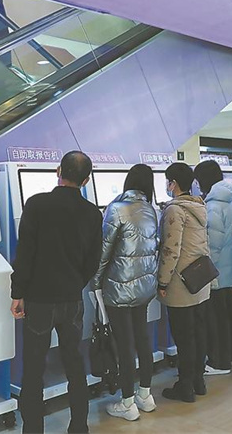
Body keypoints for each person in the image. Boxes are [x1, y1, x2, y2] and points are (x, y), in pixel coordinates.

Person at [10, 151, 103, 434]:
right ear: (86, 180)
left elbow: (25, 253)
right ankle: (79, 426)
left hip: (39, 299)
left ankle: (33, 429)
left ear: (58, 171)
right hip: (72, 299)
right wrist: (75, 283)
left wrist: (18, 292)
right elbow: (93, 260)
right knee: (74, 363)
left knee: (33, 368)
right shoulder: (93, 213)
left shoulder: (36, 204)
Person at [90, 164, 159, 421]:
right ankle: (145, 395)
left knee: (124, 344)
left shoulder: (116, 209)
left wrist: (95, 283)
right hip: (144, 287)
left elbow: (104, 251)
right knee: (142, 339)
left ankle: (127, 402)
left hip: (118, 289)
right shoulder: (151, 210)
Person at [157, 163, 210, 403]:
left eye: (168, 181)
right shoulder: (199, 206)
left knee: (183, 336)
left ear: (174, 184)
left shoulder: (174, 210)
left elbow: (171, 249)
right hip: (200, 279)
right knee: (198, 332)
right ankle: (198, 381)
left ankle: (185, 386)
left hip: (180, 282)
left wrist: (162, 281)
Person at [193, 161, 232, 376]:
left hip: (217, 270)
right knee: (230, 313)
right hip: (229, 268)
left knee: (216, 317)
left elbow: (212, 243)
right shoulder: (227, 201)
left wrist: (205, 270)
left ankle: (219, 362)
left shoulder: (213, 205)